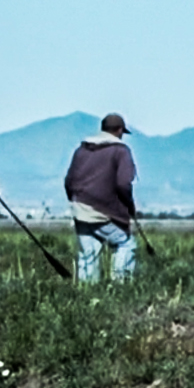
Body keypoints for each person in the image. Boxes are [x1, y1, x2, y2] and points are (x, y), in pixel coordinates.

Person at [64, 113, 139, 282]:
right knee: (126, 244)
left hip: (80, 209)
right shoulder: (121, 151)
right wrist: (129, 206)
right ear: (120, 131)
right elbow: (123, 184)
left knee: (88, 255)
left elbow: (69, 181)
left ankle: (87, 296)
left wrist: (75, 200)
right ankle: (121, 286)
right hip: (105, 212)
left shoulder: (82, 150)